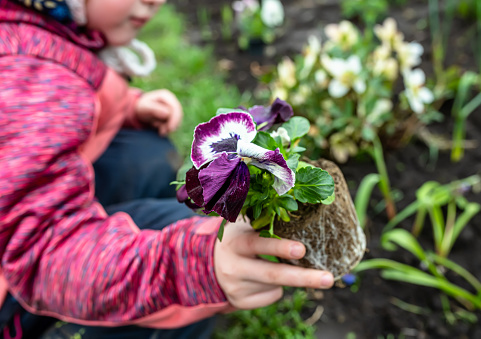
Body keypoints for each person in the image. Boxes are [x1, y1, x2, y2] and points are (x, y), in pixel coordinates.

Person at [0, 0, 335, 338]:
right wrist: (192, 269)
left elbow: (46, 116)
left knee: (145, 155)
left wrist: (126, 106)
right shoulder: (24, 71)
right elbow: (39, 251)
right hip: (19, 274)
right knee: (190, 275)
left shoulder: (35, 31)